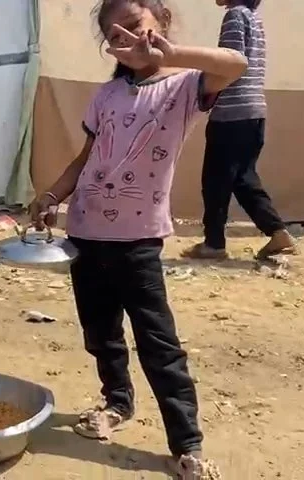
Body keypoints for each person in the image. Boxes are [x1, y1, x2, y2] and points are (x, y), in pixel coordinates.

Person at [28, 0, 248, 477]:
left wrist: (173, 52)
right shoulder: (105, 96)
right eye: (114, 35)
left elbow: (237, 64)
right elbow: (84, 159)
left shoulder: (185, 87)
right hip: (85, 233)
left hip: (138, 240)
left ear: (161, 22)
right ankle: (117, 403)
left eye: (134, 27)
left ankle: (186, 443)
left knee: (158, 343)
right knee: (101, 332)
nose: (126, 40)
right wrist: (50, 196)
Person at [181, 0, 295, 261]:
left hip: (231, 115)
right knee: (243, 178)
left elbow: (230, 65)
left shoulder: (234, 15)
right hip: (254, 112)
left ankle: (214, 244)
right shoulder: (254, 18)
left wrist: (202, 86)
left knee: (215, 182)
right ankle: (277, 232)